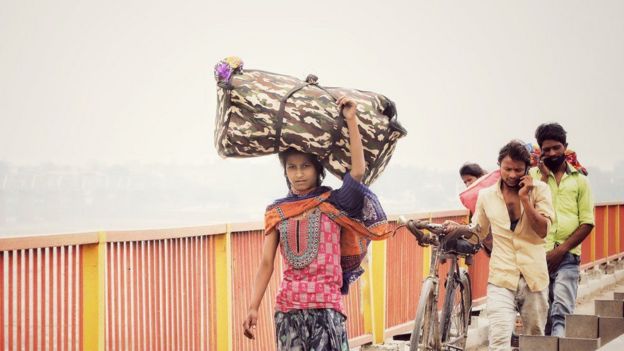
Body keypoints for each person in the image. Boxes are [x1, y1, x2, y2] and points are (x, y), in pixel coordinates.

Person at [242, 97, 393, 350]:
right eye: (292, 167)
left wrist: (351, 119)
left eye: (305, 167)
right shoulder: (277, 212)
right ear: (285, 172)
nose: (299, 174)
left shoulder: (334, 201)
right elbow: (266, 263)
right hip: (288, 309)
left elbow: (357, 172)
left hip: (327, 307)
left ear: (318, 170)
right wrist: (253, 307)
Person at [448, 140, 554, 351]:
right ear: (499, 167)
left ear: (527, 170)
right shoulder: (486, 196)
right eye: (507, 169)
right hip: (501, 276)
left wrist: (525, 200)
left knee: (535, 340)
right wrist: (457, 231)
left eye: (518, 170)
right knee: (498, 340)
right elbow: (478, 232)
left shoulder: (540, 191)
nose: (512, 175)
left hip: (534, 276)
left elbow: (543, 230)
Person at [530, 123, 594, 337]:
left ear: (565, 147)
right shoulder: (532, 177)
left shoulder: (580, 181)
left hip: (568, 257)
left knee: (562, 311)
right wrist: (543, 178)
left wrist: (561, 250)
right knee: (542, 316)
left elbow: (587, 222)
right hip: (537, 256)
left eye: (556, 148)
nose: (552, 153)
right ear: (540, 151)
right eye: (546, 150)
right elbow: (526, 209)